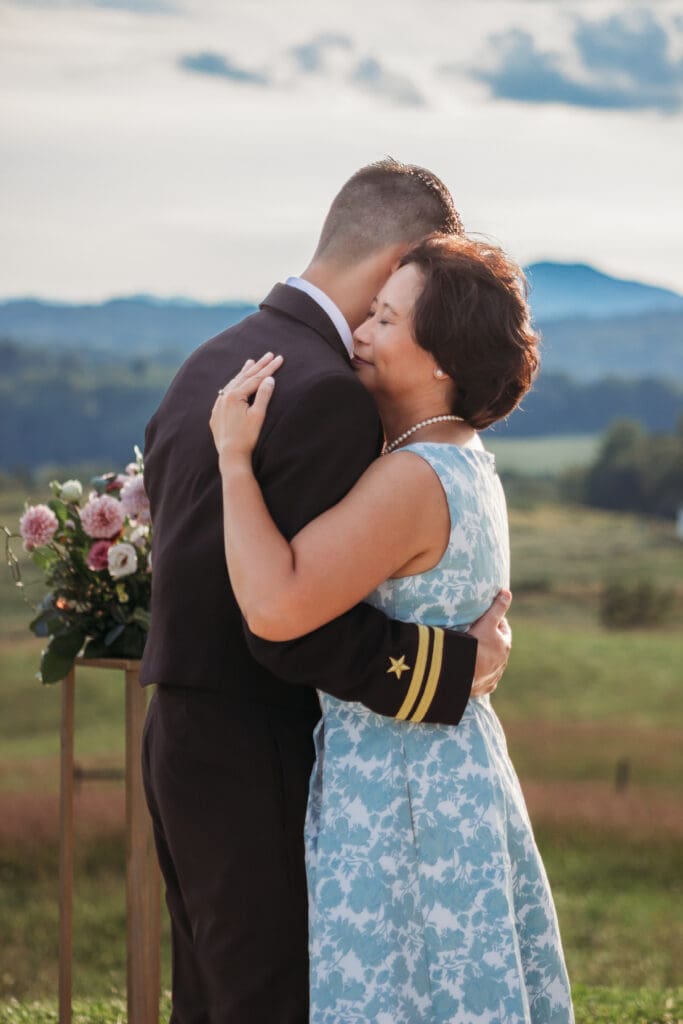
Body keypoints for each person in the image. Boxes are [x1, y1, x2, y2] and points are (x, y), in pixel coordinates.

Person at [140, 159, 512, 1024]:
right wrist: (448, 668)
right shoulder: (327, 396)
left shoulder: (211, 360)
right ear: (402, 266)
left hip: (180, 739)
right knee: (270, 999)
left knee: (209, 995)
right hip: (258, 744)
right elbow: (285, 626)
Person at [209, 233, 574, 1024]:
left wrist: (234, 462)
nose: (360, 334)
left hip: (402, 796)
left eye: (384, 320)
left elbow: (276, 604)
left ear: (440, 358)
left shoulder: (410, 477)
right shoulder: (463, 457)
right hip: (449, 776)